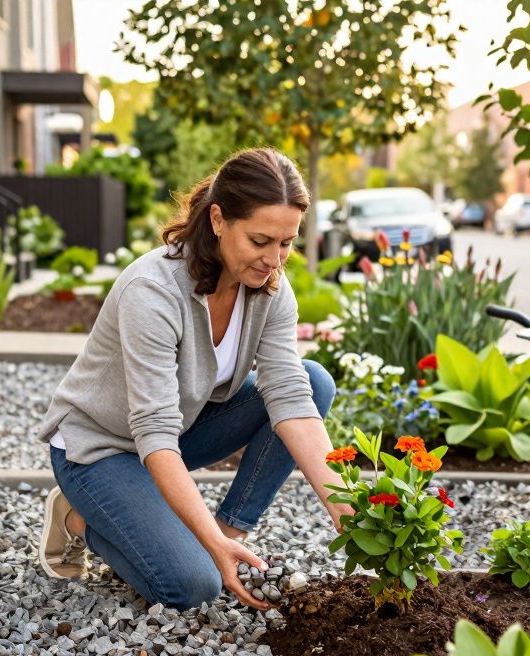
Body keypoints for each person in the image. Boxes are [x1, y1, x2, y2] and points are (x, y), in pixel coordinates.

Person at [36, 148, 350, 611]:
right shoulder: (154, 291)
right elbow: (154, 431)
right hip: (100, 448)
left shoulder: (269, 290)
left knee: (312, 380)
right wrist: (199, 544)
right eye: (260, 240)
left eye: (286, 242)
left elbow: (291, 399)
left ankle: (228, 534)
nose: (274, 259)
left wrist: (352, 513)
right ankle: (78, 517)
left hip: (178, 431)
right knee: (192, 586)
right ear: (219, 219)